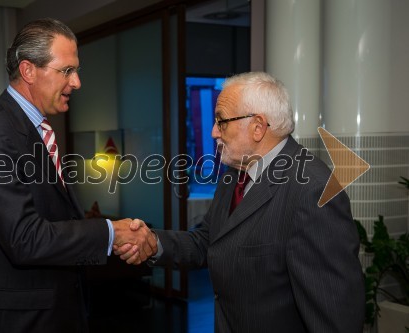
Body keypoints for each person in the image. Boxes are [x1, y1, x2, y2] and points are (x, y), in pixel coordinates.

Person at [116, 72, 365, 332]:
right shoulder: (236, 174)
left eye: (221, 121)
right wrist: (153, 242)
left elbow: (336, 315)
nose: (213, 132)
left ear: (258, 126)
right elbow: (209, 241)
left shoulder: (313, 190)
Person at [0, 18, 156, 333]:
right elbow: (24, 238)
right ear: (28, 71)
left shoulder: (33, 130)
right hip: (17, 320)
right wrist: (111, 233)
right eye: (67, 70)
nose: (77, 82)